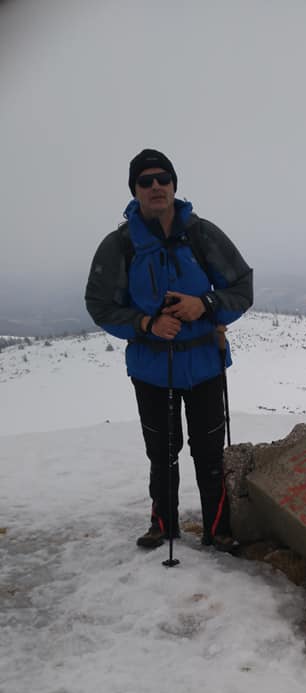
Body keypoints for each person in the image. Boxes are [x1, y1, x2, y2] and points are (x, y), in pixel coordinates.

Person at [85, 148, 253, 549]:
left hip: (205, 363)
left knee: (210, 452)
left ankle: (218, 529)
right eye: (146, 181)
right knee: (162, 453)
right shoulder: (120, 245)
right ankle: (163, 524)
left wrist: (205, 305)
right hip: (151, 367)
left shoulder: (201, 234)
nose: (156, 186)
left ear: (175, 185)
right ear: (135, 190)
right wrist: (146, 323)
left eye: (163, 178)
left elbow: (241, 288)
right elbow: (99, 304)